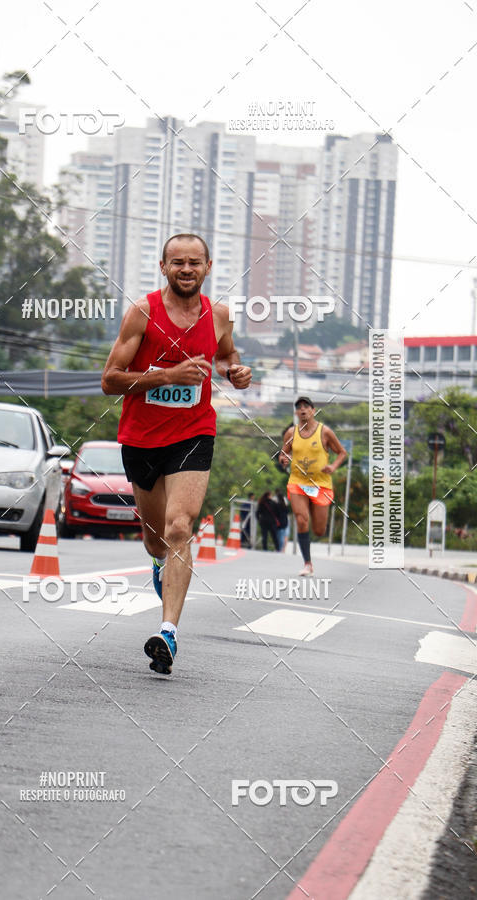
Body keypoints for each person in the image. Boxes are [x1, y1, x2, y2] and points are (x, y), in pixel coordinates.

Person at [101, 233, 252, 674]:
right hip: (142, 437)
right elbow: (110, 379)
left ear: (208, 267)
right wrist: (167, 376)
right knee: (156, 539)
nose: (187, 270)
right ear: (163, 267)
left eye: (195, 263)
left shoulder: (219, 315)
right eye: (178, 263)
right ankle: (157, 560)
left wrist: (235, 371)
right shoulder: (143, 312)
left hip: (194, 432)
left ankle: (167, 632)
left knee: (180, 526)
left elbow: (226, 356)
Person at [279, 397, 347, 575]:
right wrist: (283, 459)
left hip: (321, 485)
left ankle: (315, 532)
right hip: (297, 483)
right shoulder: (291, 433)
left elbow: (342, 452)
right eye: (299, 407)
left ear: (313, 410)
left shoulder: (325, 432)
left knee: (318, 530)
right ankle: (307, 563)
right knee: (301, 520)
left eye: (306, 407)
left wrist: (333, 466)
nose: (302, 410)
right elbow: (284, 452)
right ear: (296, 413)